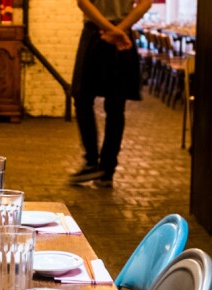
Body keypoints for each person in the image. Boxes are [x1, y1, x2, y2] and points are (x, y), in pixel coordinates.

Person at [69, 0, 153, 186]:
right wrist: (119, 30)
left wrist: (109, 30)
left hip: (95, 32)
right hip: (123, 36)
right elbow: (145, 3)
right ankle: (107, 170)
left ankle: (92, 162)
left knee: (82, 98)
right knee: (116, 106)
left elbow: (83, 2)